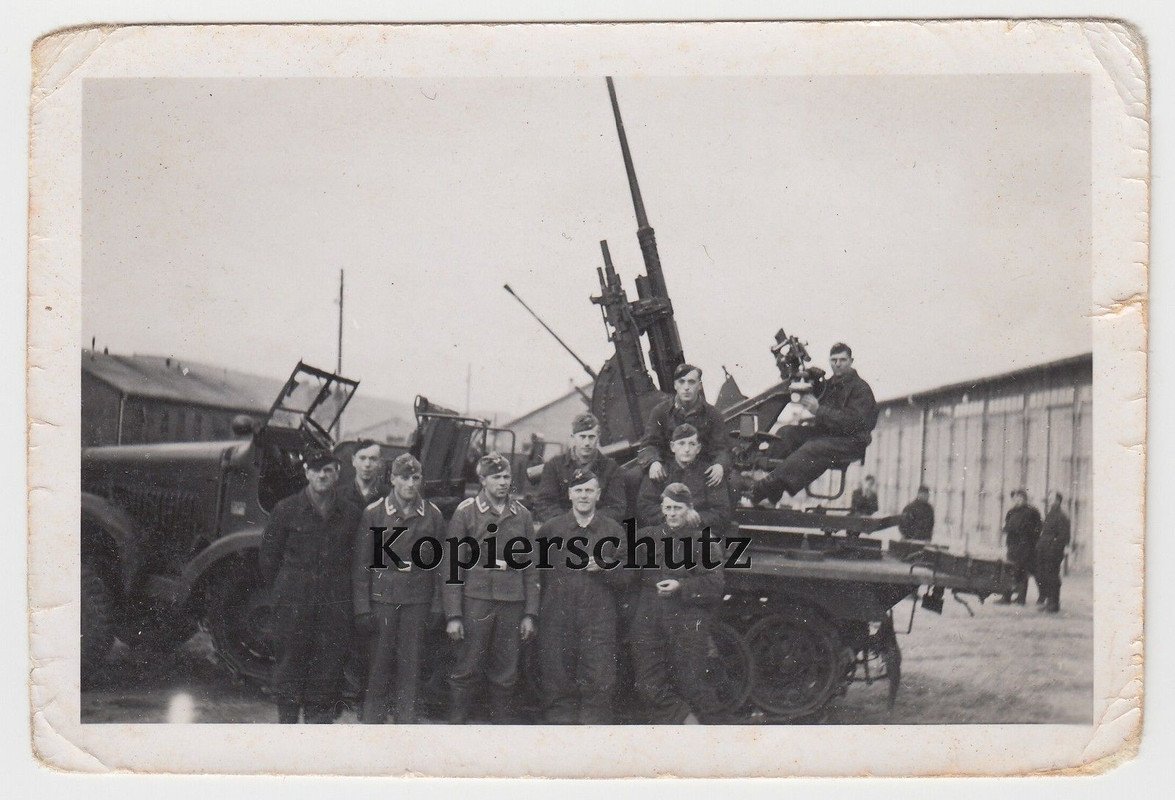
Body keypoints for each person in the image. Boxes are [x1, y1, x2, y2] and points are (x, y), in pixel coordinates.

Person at [259, 444, 362, 724]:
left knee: (327, 672)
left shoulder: (351, 514)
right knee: (289, 668)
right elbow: (268, 560)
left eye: (327, 470)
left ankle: (317, 733)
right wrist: (289, 590)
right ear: (306, 473)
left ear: (337, 473)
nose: (321, 476)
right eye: (315, 470)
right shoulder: (286, 510)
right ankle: (288, 728)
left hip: (333, 607)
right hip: (293, 605)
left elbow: (357, 560)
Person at [442, 453, 540, 723]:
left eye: (506, 476)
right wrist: (453, 614)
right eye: (496, 477)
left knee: (506, 673)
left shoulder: (522, 515)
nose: (503, 482)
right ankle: (456, 729)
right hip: (476, 600)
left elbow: (531, 567)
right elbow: (452, 565)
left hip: (511, 602)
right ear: (483, 480)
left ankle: (500, 732)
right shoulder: (466, 512)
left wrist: (530, 613)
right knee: (466, 668)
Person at [352, 453, 445, 724]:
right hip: (382, 600)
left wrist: (437, 605)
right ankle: (373, 722)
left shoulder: (433, 515)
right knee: (378, 664)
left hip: (417, 600)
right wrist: (362, 608)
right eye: (404, 477)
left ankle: (406, 722)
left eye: (415, 478)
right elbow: (362, 564)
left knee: (411, 665)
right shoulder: (375, 513)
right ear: (392, 479)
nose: (410, 484)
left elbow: (441, 566)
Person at [537, 469, 633, 724]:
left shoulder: (613, 530)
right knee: (557, 681)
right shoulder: (551, 530)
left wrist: (606, 566)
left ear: (598, 495)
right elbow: (535, 574)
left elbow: (628, 577)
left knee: (599, 681)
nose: (583, 496)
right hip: (557, 618)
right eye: (578, 490)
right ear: (569, 494)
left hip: (598, 620)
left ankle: (593, 739)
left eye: (589, 490)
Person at [630, 483, 726, 724]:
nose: (672, 513)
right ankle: (688, 724)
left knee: (692, 682)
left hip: (686, 619)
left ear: (689, 509)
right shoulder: (646, 537)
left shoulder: (703, 541)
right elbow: (623, 565)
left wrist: (681, 586)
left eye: (678, 508)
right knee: (648, 684)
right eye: (668, 508)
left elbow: (715, 585)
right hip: (650, 617)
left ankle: (716, 729)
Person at [752, 343, 878, 505]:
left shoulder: (861, 389)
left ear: (851, 361)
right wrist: (813, 379)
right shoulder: (831, 384)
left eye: (842, 360)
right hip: (830, 435)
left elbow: (853, 422)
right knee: (786, 433)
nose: (837, 364)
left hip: (851, 441)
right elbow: (820, 395)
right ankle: (770, 487)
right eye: (834, 360)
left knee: (813, 448)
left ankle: (763, 489)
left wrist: (819, 410)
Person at [638, 363, 732, 489]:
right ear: (675, 385)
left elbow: (722, 448)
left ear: (699, 386)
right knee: (634, 477)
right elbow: (648, 444)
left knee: (733, 482)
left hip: (701, 469)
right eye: (681, 382)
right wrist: (653, 462)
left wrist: (720, 465)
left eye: (691, 382)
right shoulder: (660, 411)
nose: (686, 387)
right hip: (668, 468)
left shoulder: (712, 414)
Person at [636, 423, 731, 535]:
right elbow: (645, 507)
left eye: (692, 444)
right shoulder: (660, 471)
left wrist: (698, 518)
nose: (687, 449)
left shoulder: (709, 473)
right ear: (672, 447)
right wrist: (675, 517)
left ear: (698, 448)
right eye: (681, 443)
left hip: (697, 532)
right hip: (664, 532)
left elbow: (722, 512)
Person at [535, 412, 626, 523]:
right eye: (582, 437)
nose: (587, 443)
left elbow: (616, 507)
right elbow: (545, 503)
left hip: (598, 528)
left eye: (591, 437)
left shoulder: (611, 468)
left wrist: (589, 522)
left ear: (598, 438)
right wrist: (569, 523)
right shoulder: (554, 465)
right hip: (562, 527)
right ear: (573, 438)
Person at [997, 488, 1043, 605]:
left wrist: (1031, 539)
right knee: (1009, 571)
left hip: (1025, 547)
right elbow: (1006, 524)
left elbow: (1038, 528)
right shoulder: (1011, 512)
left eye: (1020, 498)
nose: (1018, 500)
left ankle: (1021, 598)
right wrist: (1006, 529)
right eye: (1016, 498)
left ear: (1025, 499)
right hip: (1012, 546)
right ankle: (1006, 597)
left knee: (1022, 572)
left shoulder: (1032, 512)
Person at [1035, 491, 1071, 613]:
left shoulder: (1062, 517)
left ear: (1058, 501)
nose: (1049, 501)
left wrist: (1053, 549)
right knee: (1044, 575)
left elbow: (1063, 537)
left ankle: (1054, 603)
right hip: (1044, 550)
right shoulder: (1050, 515)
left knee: (1052, 577)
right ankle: (1048, 601)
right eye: (1049, 498)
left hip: (1053, 552)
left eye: (1052, 499)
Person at [338, 438, 387, 509]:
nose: (367, 464)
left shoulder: (389, 496)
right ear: (353, 461)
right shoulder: (339, 495)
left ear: (380, 462)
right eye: (362, 458)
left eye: (373, 459)